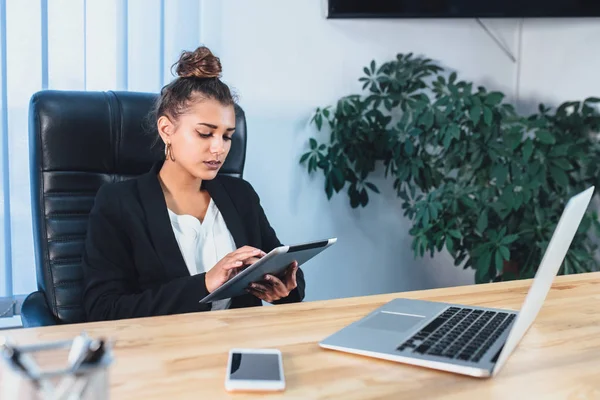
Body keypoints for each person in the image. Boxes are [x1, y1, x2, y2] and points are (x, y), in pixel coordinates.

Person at [82, 46, 304, 321]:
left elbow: (286, 275)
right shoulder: (119, 202)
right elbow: (104, 310)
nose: (219, 149)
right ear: (167, 130)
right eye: (204, 134)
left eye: (226, 136)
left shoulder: (240, 195)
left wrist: (282, 288)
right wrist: (205, 283)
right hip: (164, 353)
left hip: (240, 345)